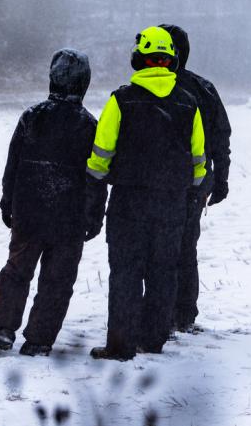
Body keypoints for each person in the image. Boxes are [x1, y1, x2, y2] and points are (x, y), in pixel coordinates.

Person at [85, 26, 205, 360]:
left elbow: (100, 155)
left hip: (129, 202)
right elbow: (198, 160)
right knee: (163, 271)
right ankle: (153, 339)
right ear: (171, 61)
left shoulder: (121, 100)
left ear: (139, 59)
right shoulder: (189, 104)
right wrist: (189, 191)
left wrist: (94, 187)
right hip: (171, 204)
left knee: (125, 271)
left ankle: (120, 345)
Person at [0, 49, 98, 357]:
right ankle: (40, 339)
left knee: (16, 271)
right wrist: (94, 216)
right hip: (70, 218)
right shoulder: (89, 125)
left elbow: (12, 166)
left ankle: (0, 330)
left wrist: (8, 203)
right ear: (84, 82)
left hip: (29, 212)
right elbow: (96, 178)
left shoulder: (32, 116)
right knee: (58, 281)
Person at [160, 23, 232, 334]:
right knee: (186, 248)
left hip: (158, 183)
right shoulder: (204, 88)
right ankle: (184, 314)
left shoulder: (149, 88)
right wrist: (221, 179)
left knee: (159, 249)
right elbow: (221, 138)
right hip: (196, 183)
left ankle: (162, 311)